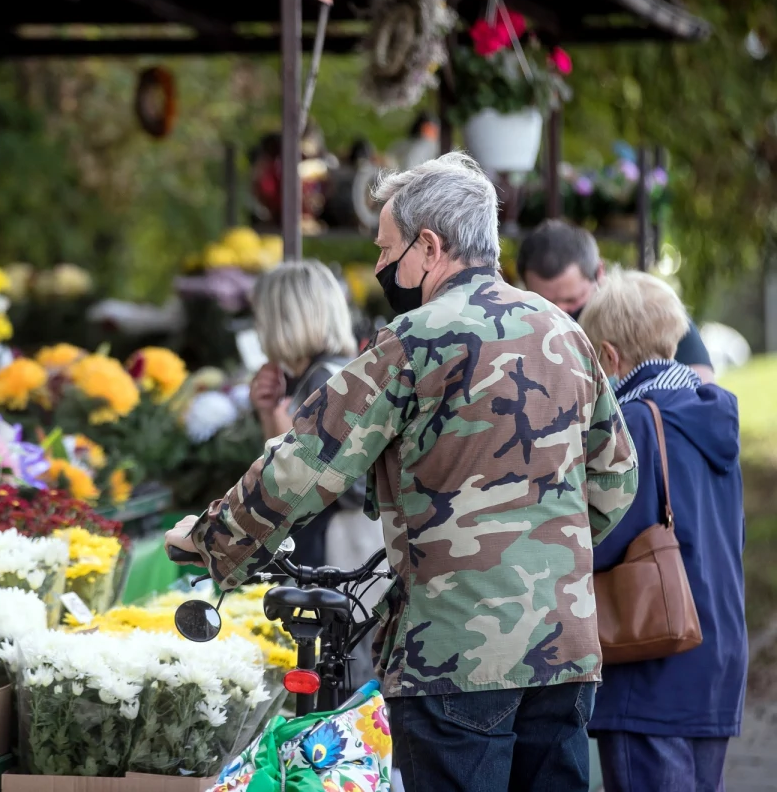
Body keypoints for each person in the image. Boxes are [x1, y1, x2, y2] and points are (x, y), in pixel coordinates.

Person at [166, 152, 639, 792]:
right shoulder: (564, 332)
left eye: (387, 250)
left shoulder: (413, 340)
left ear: (430, 245)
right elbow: (616, 481)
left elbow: (307, 463)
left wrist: (214, 540)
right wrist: (542, 549)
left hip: (453, 653)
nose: (383, 266)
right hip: (564, 648)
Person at [579, 268, 747, 792]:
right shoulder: (711, 416)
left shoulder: (632, 426)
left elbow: (601, 543)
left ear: (608, 356)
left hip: (651, 658)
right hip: (716, 653)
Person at [248, 259, 365, 570]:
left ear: (284, 318)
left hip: (336, 547)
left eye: (261, 316)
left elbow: (302, 482)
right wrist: (270, 410)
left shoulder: (326, 382)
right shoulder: (327, 374)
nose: (257, 329)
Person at [518, 220, 716, 383]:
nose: (559, 312)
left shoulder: (642, 307)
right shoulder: (517, 327)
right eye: (545, 303)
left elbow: (702, 384)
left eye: (572, 300)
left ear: (599, 272)